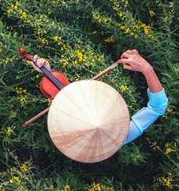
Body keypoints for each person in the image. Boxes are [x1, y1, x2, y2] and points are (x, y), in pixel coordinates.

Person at [29, 49, 168, 145]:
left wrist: (47, 72)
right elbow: (158, 106)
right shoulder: (121, 135)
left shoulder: (68, 128)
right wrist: (146, 69)